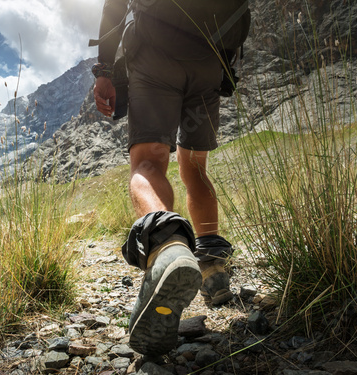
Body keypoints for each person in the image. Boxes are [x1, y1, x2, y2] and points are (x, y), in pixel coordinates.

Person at [91, 0, 248, 356]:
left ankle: (168, 247)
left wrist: (103, 69)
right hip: (209, 59)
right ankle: (212, 266)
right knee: (195, 166)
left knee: (149, 161)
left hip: (155, 50)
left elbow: (115, 6)